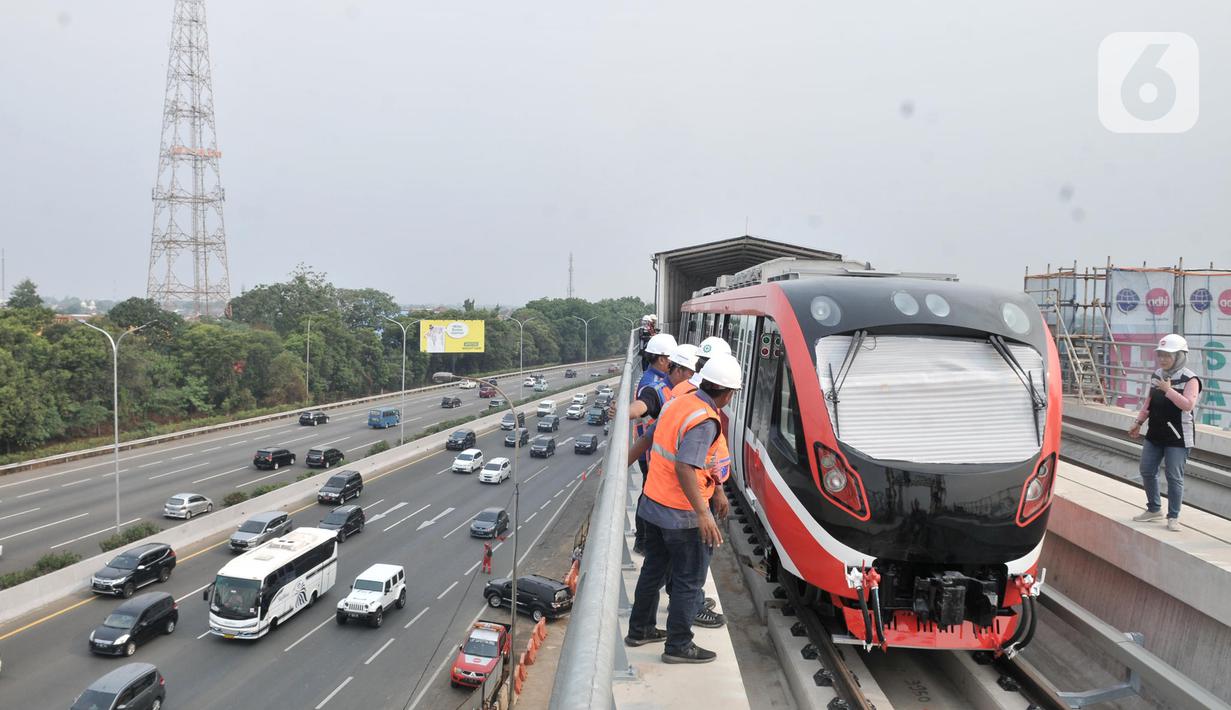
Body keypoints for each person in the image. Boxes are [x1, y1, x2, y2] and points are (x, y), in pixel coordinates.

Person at [625, 353, 743, 664]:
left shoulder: (678, 402)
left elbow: (649, 439)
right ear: (728, 393)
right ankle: (678, 645)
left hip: (653, 505)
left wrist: (617, 468)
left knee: (653, 569)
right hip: (682, 515)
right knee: (690, 581)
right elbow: (686, 466)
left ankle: (640, 629)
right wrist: (703, 514)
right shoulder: (705, 419)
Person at [1128, 334, 1202, 532]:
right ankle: (1153, 509)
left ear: (1179, 356)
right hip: (1155, 433)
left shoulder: (1190, 379)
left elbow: (1188, 405)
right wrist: (1139, 422)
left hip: (1178, 436)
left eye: (1167, 355)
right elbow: (1149, 402)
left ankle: (1173, 516)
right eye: (1160, 355)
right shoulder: (1157, 375)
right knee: (1146, 470)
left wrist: (1169, 390)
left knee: (1173, 477)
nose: (1162, 359)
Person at [630, 333, 678, 553]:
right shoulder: (652, 383)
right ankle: (642, 540)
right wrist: (626, 412)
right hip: (648, 449)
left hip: (648, 445)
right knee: (648, 495)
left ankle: (644, 540)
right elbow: (644, 405)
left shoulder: (652, 377)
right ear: (661, 359)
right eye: (671, 358)